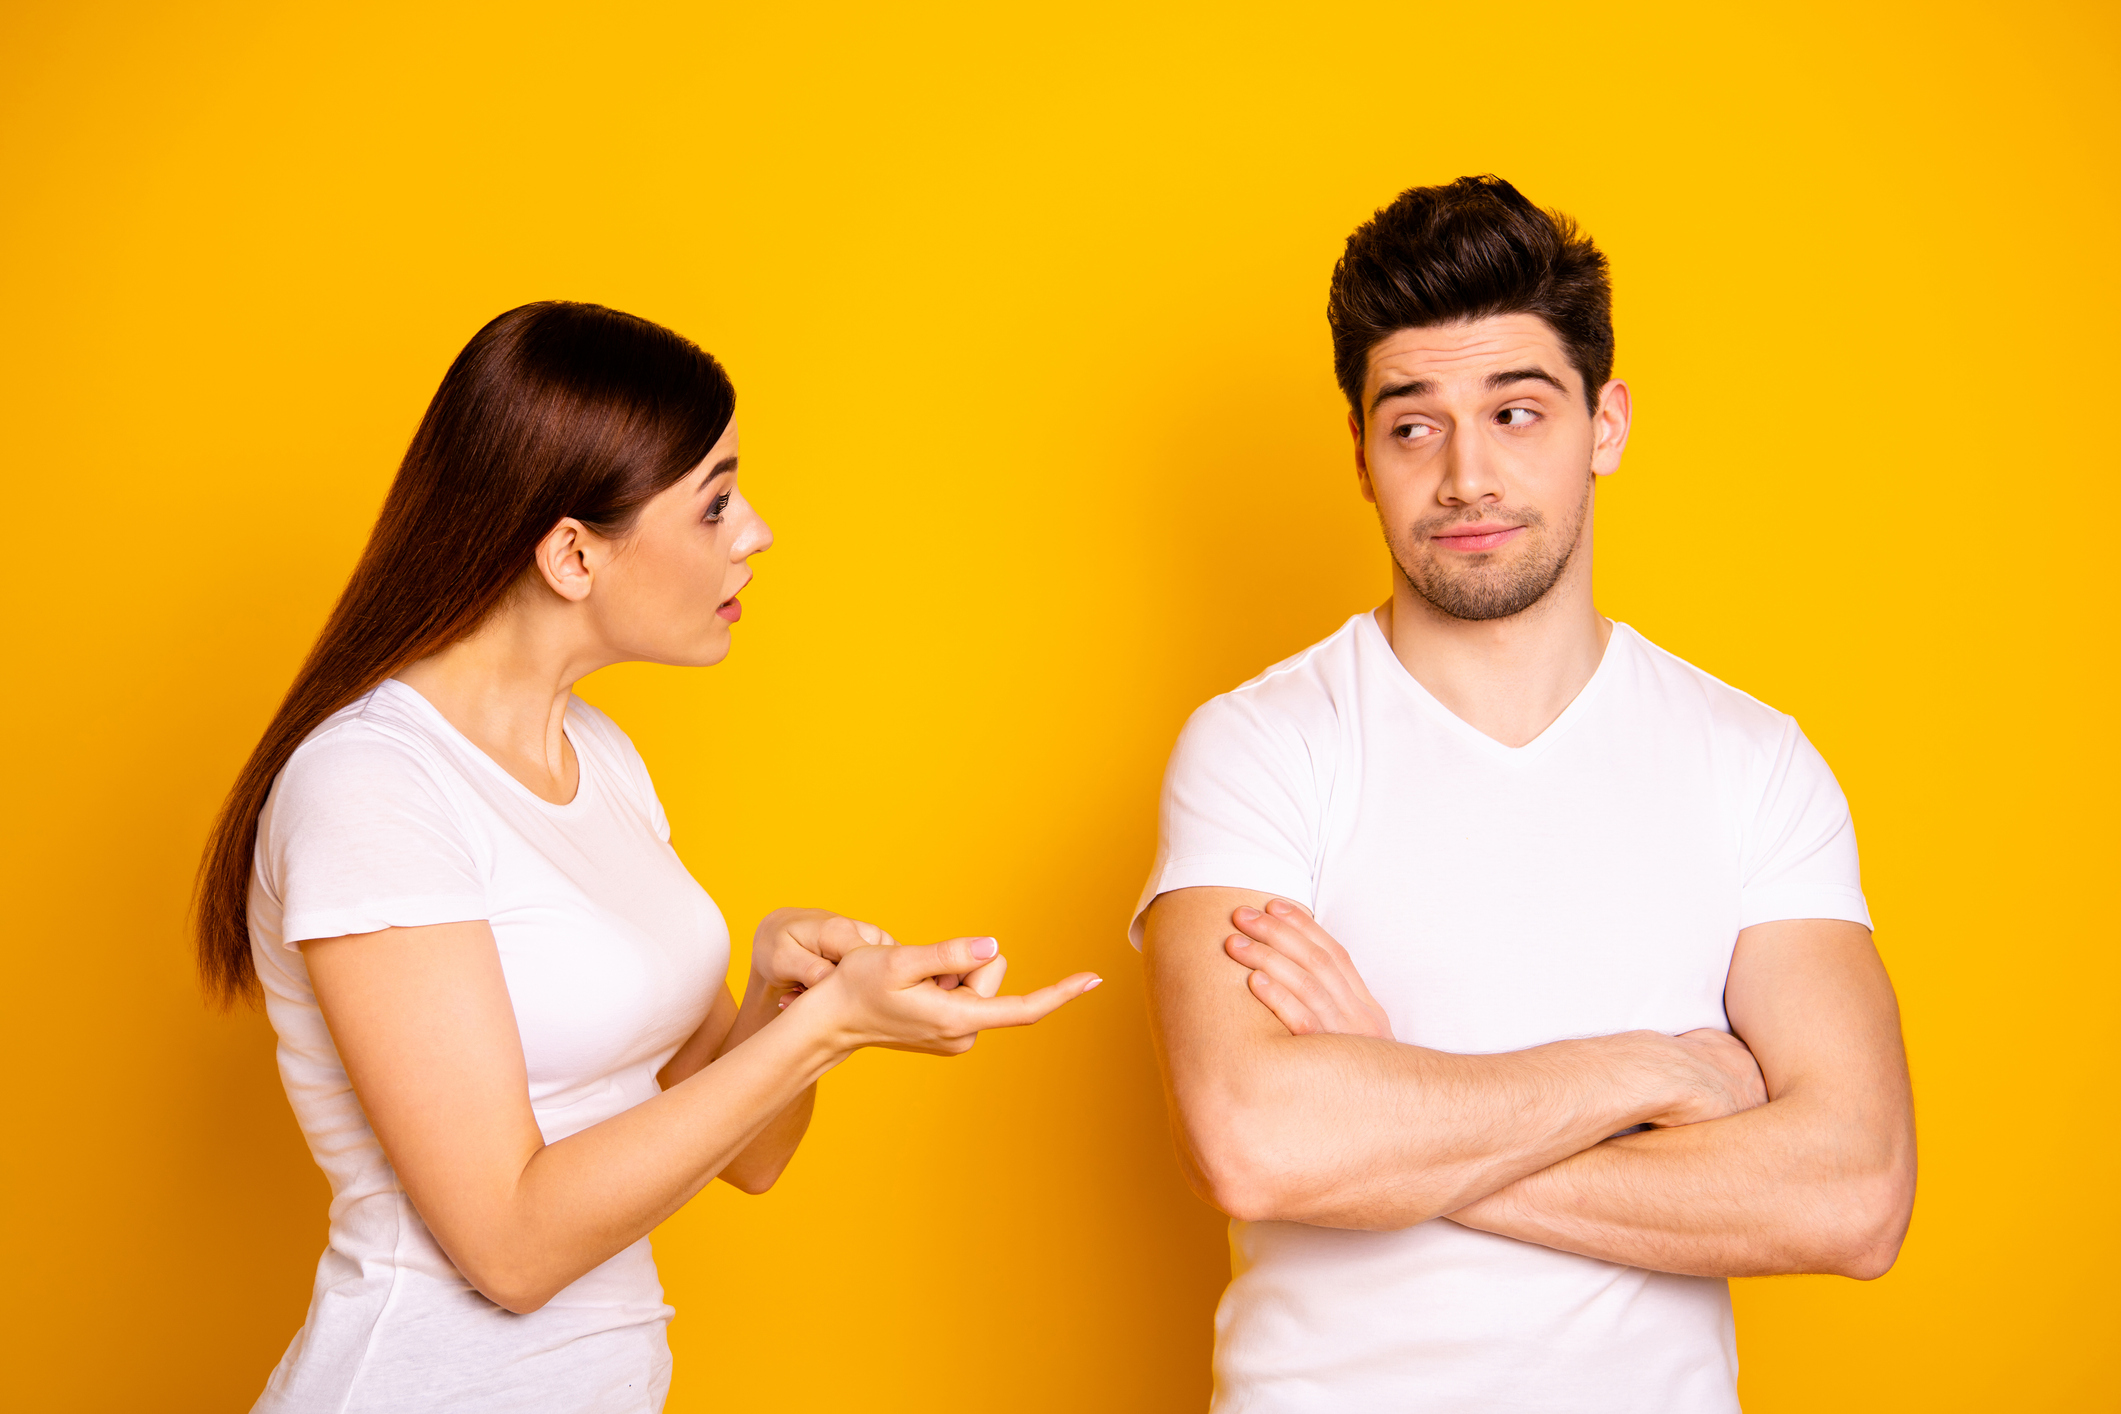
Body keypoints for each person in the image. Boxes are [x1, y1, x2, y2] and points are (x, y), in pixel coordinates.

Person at [194, 301, 1101, 1413]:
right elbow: (512, 1246)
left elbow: (750, 1150)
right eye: (716, 502)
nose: (756, 531)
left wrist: (782, 999)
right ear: (573, 552)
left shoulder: (601, 757)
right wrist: (832, 1022)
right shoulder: (372, 789)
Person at [1135, 176, 1916, 1412]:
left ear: (1605, 424)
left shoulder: (1752, 762)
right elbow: (1254, 1141)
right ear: (1359, 452)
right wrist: (1649, 1072)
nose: (1465, 476)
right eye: (1413, 426)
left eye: (1516, 412)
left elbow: (1855, 1191)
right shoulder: (1261, 745)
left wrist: (1391, 1102)